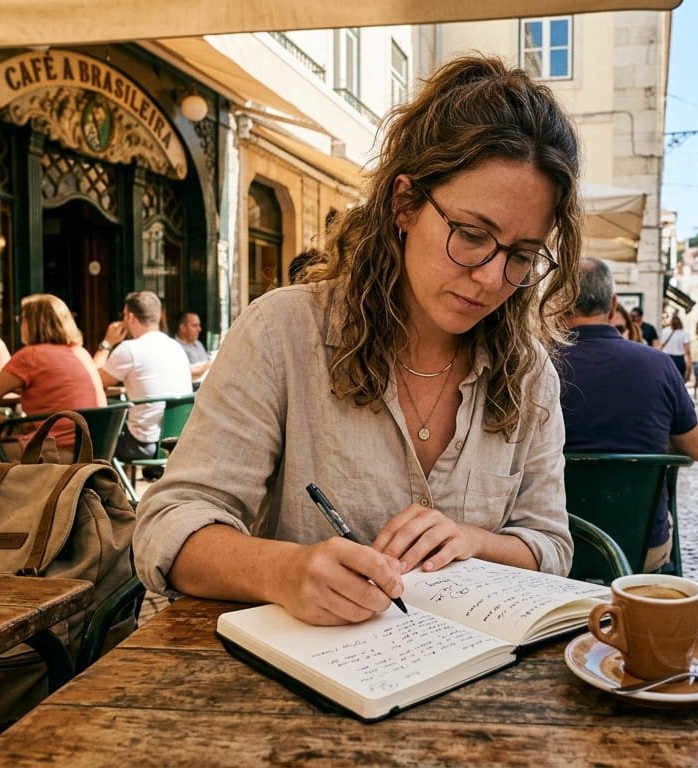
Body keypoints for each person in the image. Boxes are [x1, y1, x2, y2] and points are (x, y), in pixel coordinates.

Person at [133, 56, 582, 626]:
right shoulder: (284, 333)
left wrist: (473, 540)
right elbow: (169, 523)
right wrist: (283, 571)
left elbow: (550, 545)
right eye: (472, 235)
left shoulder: (528, 372)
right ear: (404, 204)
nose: (494, 279)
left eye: (522, 255)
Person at [556, 258, 698, 571]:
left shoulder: (534, 364)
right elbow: (697, 450)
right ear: (613, 306)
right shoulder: (659, 365)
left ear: (557, 305)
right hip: (640, 547)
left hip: (553, 547)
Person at [0, 293, 105, 459]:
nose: (20, 325)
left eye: (21, 319)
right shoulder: (80, 353)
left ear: (32, 323)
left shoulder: (31, 355)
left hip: (56, 451)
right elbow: (48, 387)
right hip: (93, 449)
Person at [94, 291, 193, 461]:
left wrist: (107, 343)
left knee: (91, 438)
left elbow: (93, 381)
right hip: (177, 441)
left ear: (131, 317)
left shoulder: (129, 349)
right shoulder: (176, 347)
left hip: (143, 444)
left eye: (124, 315)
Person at [174, 310, 213, 381]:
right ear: (182, 328)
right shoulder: (175, 348)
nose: (199, 329)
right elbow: (190, 373)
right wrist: (212, 362)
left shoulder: (198, 344)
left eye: (199, 325)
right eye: (194, 325)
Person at [658, 312, 691, 380]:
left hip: (666, 358)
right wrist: (689, 364)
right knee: (679, 380)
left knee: (666, 379)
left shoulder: (665, 331)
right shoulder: (684, 333)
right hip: (679, 360)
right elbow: (687, 351)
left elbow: (661, 346)